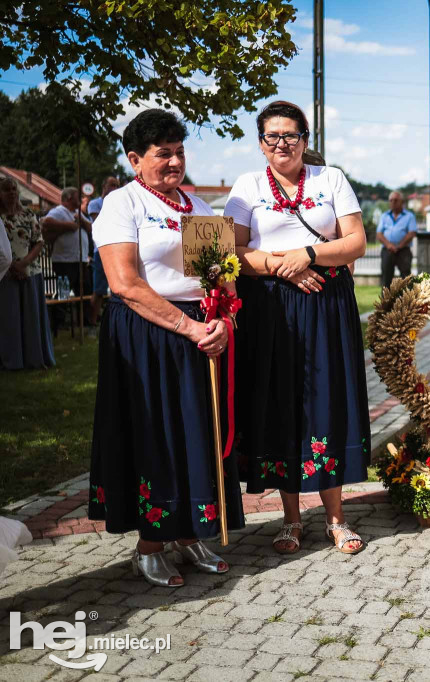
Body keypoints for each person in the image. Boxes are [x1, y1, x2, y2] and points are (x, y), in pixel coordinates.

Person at [88, 109, 243, 587]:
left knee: (198, 434)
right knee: (155, 436)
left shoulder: (197, 206)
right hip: (146, 334)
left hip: (199, 333)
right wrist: (188, 326)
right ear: (136, 160)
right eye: (163, 154)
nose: (175, 161)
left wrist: (222, 319)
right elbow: (125, 283)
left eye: (179, 151)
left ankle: (189, 533)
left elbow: (220, 278)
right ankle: (150, 544)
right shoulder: (121, 204)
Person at [225, 100, 370, 555]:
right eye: (273, 136)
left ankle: (335, 517)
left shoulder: (331, 179)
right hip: (270, 308)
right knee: (281, 403)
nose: (282, 143)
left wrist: (306, 255)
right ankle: (290, 519)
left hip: (326, 303)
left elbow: (356, 243)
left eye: (291, 135)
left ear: (306, 140)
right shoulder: (247, 186)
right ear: (262, 143)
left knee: (326, 402)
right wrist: (280, 266)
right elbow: (233, 252)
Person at [0, 175, 55, 370]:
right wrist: (13, 266)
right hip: (5, 273)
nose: (11, 193)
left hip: (30, 271)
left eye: (14, 189)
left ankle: (33, 358)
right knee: (9, 319)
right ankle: (12, 360)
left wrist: (23, 263)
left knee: (31, 317)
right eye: (6, 189)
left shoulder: (29, 215)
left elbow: (39, 241)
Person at [42, 188, 94, 324]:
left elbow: (90, 228)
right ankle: (59, 321)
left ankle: (85, 321)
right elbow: (46, 222)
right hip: (64, 261)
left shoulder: (77, 213)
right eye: (78, 196)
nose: (81, 199)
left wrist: (81, 222)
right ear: (69, 198)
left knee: (85, 290)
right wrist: (68, 226)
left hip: (80, 260)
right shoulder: (58, 211)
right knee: (63, 292)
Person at [88, 176, 120, 328]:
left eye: (117, 185)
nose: (114, 188)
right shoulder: (95, 203)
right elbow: (99, 224)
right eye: (112, 185)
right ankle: (92, 321)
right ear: (104, 186)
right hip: (100, 250)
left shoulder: (119, 204)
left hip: (117, 249)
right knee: (99, 289)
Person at [377, 190, 416, 288]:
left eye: (395, 200)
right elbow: (379, 234)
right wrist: (389, 245)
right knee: (386, 279)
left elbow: (411, 233)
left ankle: (407, 302)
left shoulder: (409, 216)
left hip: (403, 251)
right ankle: (386, 303)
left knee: (406, 280)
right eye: (391, 200)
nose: (393, 202)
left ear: (402, 202)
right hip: (387, 250)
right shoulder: (384, 216)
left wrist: (398, 246)